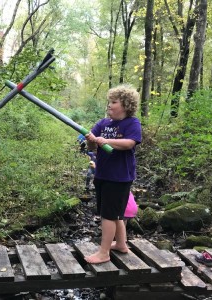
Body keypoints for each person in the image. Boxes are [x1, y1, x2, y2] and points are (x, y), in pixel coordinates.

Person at [84, 84, 142, 264]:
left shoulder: (132, 123)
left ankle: (104, 252)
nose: (109, 105)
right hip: (102, 174)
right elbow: (92, 147)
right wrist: (91, 142)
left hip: (119, 177)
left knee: (108, 215)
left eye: (114, 102)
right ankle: (121, 244)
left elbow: (129, 143)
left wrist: (105, 140)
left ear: (125, 105)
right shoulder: (103, 123)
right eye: (109, 102)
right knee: (115, 213)